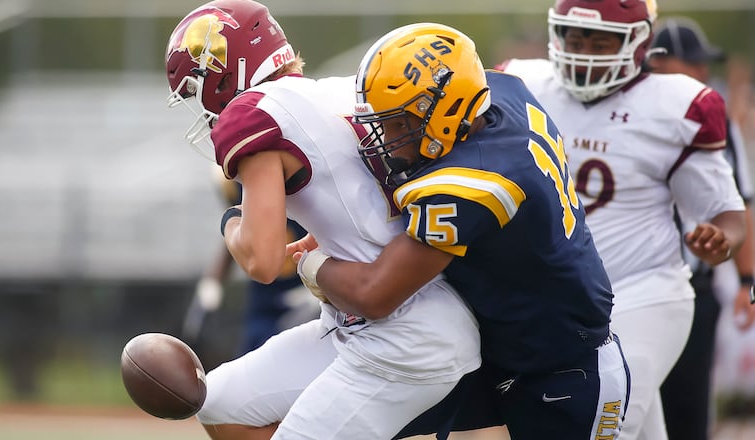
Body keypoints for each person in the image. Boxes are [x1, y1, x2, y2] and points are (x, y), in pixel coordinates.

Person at [293, 21, 631, 439]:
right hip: (512, 353)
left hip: (567, 370)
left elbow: (374, 295)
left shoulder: (476, 183)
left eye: (400, 124)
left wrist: (313, 263)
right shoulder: (500, 93)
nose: (388, 138)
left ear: (448, 111)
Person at [165, 1, 481, 439]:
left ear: (223, 72)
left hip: (406, 336)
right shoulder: (338, 91)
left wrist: (231, 223)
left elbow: (263, 261)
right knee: (219, 404)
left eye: (194, 88)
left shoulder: (254, 114)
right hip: (362, 322)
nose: (200, 107)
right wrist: (324, 235)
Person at [496, 1, 747, 438]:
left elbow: (729, 214)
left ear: (638, 42)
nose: (585, 51)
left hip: (643, 290)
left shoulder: (676, 105)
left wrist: (720, 238)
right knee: (631, 425)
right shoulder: (523, 84)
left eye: (600, 41)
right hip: (561, 300)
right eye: (576, 38)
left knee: (600, 421)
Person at [647, 17, 755, 440]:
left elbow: (741, 202)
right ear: (660, 61)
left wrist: (748, 280)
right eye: (693, 63)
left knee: (686, 412)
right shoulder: (617, 112)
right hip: (618, 286)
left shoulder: (712, 116)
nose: (703, 72)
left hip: (693, 284)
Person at [181, 170, 319, 367]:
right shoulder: (237, 178)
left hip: (307, 287)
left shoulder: (301, 168)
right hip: (264, 297)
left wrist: (318, 292)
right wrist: (208, 291)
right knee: (250, 364)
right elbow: (239, 236)